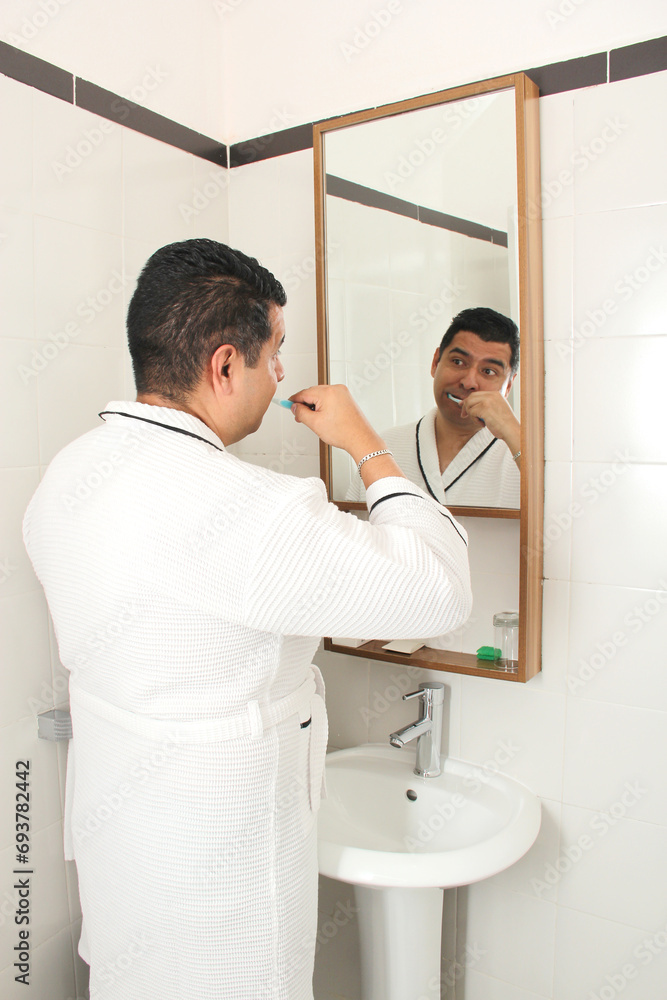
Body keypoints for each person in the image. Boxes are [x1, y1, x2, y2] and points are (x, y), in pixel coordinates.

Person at [22, 239, 471, 1000]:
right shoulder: (251, 513)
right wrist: (366, 445)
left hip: (120, 855)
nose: (282, 375)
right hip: (223, 896)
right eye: (276, 352)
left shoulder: (68, 474)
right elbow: (441, 592)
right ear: (226, 365)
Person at [347, 307, 521, 508]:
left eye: (488, 371)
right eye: (458, 362)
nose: (468, 382)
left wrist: (514, 432)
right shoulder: (384, 448)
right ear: (435, 362)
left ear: (508, 386)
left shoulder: (523, 455)